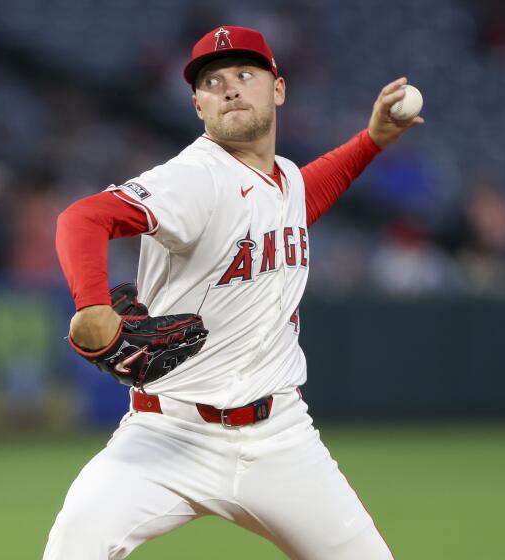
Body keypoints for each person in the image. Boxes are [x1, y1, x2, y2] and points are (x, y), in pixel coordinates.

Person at [46, 25, 422, 560]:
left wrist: (371, 142)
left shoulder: (284, 177)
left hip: (282, 440)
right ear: (198, 105)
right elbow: (81, 218)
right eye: (213, 81)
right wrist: (91, 302)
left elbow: (300, 198)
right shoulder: (195, 178)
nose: (230, 88)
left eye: (245, 74)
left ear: (278, 89)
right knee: (73, 548)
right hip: (168, 433)